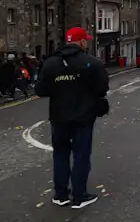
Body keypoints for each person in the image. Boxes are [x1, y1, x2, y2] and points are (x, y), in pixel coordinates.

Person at [34, 27, 109, 209]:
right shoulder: (91, 62)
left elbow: (40, 90)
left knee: (60, 154)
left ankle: (60, 195)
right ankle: (79, 195)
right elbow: (102, 89)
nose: (87, 43)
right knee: (81, 155)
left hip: (59, 117)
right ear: (82, 42)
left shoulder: (51, 63)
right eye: (86, 40)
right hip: (83, 117)